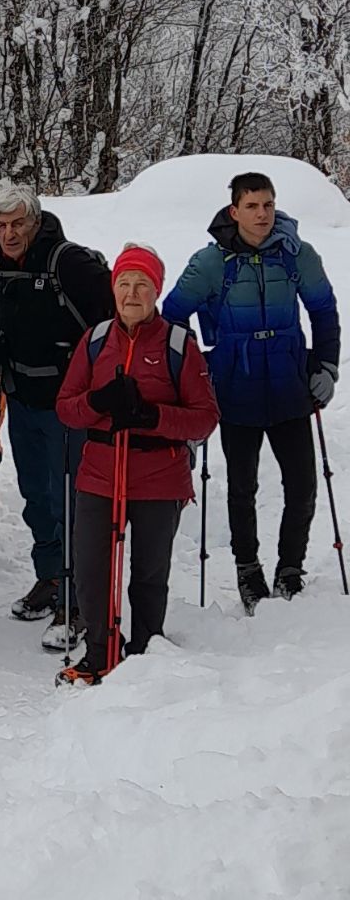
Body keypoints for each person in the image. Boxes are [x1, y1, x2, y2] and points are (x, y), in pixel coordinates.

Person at [162, 172, 340, 607]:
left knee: (302, 483)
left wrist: (327, 366)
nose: (262, 214)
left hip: (290, 386)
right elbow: (172, 317)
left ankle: (290, 568)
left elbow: (323, 308)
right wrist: (199, 370)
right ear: (234, 210)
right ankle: (248, 570)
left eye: (268, 205)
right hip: (235, 388)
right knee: (242, 486)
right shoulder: (210, 262)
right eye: (253, 206)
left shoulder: (297, 255)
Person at [57, 245, 219, 682]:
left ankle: (147, 652)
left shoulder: (177, 344)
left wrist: (153, 417)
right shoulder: (94, 340)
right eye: (124, 284)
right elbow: (66, 408)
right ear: (113, 289)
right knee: (91, 569)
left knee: (149, 574)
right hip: (100, 473)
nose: (132, 294)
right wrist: (98, 402)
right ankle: (98, 651)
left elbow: (205, 417)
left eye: (142, 285)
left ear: (156, 291)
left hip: (159, 477)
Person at [0, 185, 114, 649]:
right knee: (37, 496)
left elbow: (111, 322)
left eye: (18, 223)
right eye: (1, 225)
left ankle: (79, 598)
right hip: (23, 397)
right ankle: (50, 578)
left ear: (35, 223)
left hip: (71, 403)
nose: (9, 233)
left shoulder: (69, 263)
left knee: (70, 499)